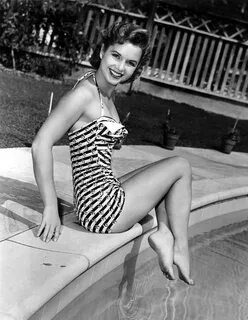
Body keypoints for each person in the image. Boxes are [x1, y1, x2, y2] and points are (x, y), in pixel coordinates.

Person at [32, 22, 194, 285]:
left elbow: (91, 137)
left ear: (136, 69)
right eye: (116, 56)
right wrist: (50, 206)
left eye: (130, 63)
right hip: (102, 209)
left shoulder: (101, 89)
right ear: (102, 50)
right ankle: (180, 248)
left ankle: (164, 233)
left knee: (166, 179)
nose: (120, 67)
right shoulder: (85, 94)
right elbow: (41, 144)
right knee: (181, 167)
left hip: (99, 197)